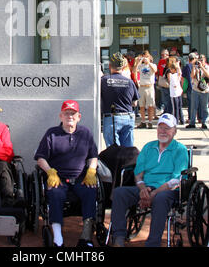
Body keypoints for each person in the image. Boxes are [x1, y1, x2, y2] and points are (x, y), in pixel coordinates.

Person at [111, 113, 189, 247]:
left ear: (174, 131)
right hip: (146, 188)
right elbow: (138, 173)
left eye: (167, 128)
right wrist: (143, 190)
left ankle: (153, 243)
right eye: (160, 128)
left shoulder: (180, 150)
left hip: (168, 190)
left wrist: (154, 193)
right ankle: (118, 237)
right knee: (119, 193)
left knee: (160, 199)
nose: (163, 131)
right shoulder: (148, 147)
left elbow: (176, 180)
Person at [34, 100, 98, 247]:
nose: (70, 116)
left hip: (81, 177)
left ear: (79, 116)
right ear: (61, 116)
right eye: (67, 113)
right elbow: (40, 158)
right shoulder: (52, 133)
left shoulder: (85, 133)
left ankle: (86, 237)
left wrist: (92, 170)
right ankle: (58, 238)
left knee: (90, 191)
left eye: (73, 113)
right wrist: (50, 172)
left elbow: (93, 156)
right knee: (55, 194)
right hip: (58, 177)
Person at [101, 52, 139, 147]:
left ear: (110, 66)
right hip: (128, 117)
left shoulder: (104, 80)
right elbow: (134, 103)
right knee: (128, 152)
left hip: (112, 118)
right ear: (123, 67)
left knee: (113, 153)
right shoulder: (130, 82)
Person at [134, 51, 157, 129]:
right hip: (142, 87)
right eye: (144, 57)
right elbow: (135, 70)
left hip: (149, 87)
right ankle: (143, 121)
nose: (145, 58)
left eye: (146, 57)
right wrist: (139, 61)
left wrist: (149, 63)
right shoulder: (141, 66)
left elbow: (155, 70)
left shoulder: (153, 65)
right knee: (142, 106)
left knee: (150, 106)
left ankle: (150, 122)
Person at [186, 54, 209, 129]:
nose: (200, 61)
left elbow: (208, 75)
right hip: (195, 89)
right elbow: (192, 76)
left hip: (204, 90)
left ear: (205, 60)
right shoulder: (196, 67)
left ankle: (204, 122)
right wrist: (193, 67)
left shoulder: (206, 67)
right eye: (199, 60)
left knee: (204, 107)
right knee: (193, 107)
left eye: (202, 60)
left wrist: (202, 67)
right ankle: (192, 123)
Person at [182, 52, 197, 124]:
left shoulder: (187, 66)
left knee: (191, 104)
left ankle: (191, 118)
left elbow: (184, 77)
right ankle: (191, 118)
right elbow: (188, 77)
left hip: (191, 88)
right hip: (192, 87)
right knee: (192, 104)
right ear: (193, 59)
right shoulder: (189, 66)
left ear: (189, 59)